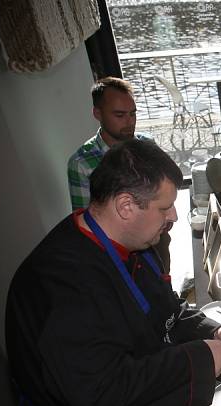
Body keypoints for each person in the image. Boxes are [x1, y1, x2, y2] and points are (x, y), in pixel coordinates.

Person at [7, 139, 221, 406]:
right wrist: (205, 357)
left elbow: (162, 308)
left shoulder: (135, 242)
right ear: (124, 206)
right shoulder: (59, 285)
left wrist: (210, 329)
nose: (172, 217)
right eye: (164, 207)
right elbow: (103, 392)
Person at [66, 77, 172, 271]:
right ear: (97, 113)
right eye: (119, 115)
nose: (129, 122)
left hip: (157, 238)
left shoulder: (146, 145)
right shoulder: (82, 163)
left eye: (133, 114)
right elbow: (86, 223)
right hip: (118, 254)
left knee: (162, 276)